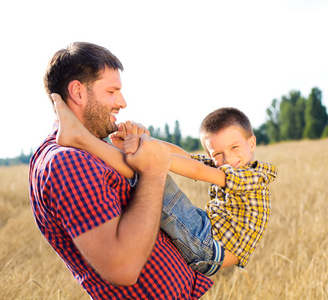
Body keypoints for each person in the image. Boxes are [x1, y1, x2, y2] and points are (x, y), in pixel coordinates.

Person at [28, 42, 213, 299]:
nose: (122, 102)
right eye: (112, 91)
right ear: (78, 93)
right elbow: (122, 268)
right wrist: (153, 173)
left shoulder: (88, 152)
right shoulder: (67, 161)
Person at [51, 95, 278, 276]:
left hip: (210, 249)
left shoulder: (252, 177)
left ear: (252, 144)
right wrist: (147, 142)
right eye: (217, 153)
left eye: (235, 148)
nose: (227, 159)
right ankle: (92, 142)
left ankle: (81, 139)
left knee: (150, 173)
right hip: (207, 237)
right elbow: (187, 158)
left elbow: (195, 171)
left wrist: (149, 154)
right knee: (150, 170)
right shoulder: (230, 166)